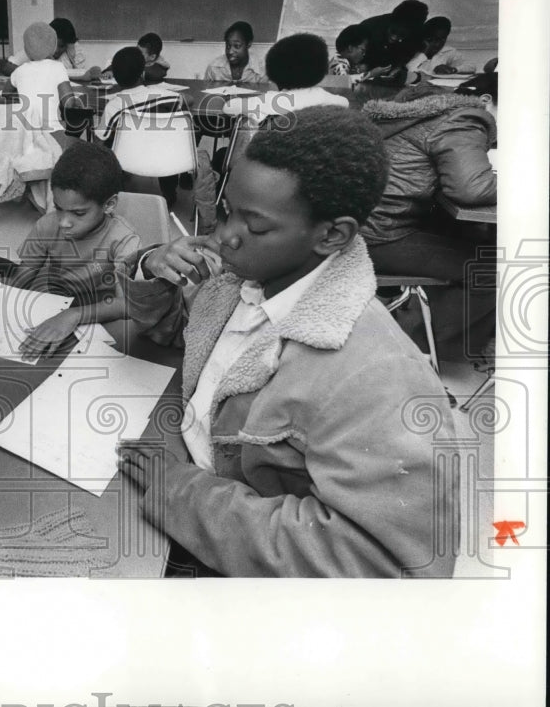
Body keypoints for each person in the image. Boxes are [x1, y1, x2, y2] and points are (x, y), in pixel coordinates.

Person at [117, 106, 456, 577]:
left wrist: (180, 490)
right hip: (181, 470)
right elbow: (184, 338)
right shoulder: (245, 280)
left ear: (332, 235)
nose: (225, 236)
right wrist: (152, 266)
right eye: (228, 211)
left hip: (222, 542)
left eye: (254, 226)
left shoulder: (378, 375)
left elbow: (386, 566)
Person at [361, 84, 497, 362]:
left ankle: (459, 336)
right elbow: (469, 189)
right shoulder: (467, 119)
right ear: (485, 100)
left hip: (360, 224)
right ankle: (422, 347)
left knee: (475, 240)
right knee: (492, 267)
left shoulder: (427, 115)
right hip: (380, 234)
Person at [9, 143, 141, 360]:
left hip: (102, 319)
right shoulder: (46, 226)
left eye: (78, 213)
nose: (64, 222)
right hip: (57, 310)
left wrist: (74, 315)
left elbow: (126, 303)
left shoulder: (123, 239)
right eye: (58, 208)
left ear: (109, 205)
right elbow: (23, 277)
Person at [95, 46, 188, 208]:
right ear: (142, 72)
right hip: (165, 159)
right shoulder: (163, 95)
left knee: (108, 144)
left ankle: (118, 191)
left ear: (115, 77)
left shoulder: (114, 106)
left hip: (128, 160)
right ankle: (169, 194)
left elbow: (98, 144)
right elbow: (189, 99)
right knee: (166, 140)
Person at [223, 33, 350, 123]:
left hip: (272, 158)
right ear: (321, 68)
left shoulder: (269, 101)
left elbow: (229, 107)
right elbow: (345, 102)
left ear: (275, 71)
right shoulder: (333, 101)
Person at [4, 22, 83, 152]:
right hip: (52, 132)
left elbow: (5, 94)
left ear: (27, 50)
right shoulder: (58, 67)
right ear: (53, 47)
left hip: (25, 134)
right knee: (81, 147)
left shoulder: (19, 71)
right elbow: (68, 103)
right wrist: (76, 101)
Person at [407, 16, 477, 77]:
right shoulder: (411, 50)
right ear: (425, 37)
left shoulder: (446, 51)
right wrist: (424, 53)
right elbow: (407, 72)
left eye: (442, 40)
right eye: (433, 39)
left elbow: (471, 66)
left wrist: (453, 69)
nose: (437, 44)